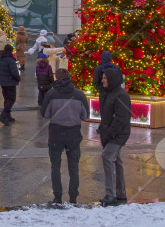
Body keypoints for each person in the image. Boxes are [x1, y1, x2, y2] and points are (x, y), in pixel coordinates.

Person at [41, 68, 88, 205]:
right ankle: (73, 197)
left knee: (55, 166)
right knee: (74, 167)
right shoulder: (79, 95)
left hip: (56, 134)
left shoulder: (51, 94)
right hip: (73, 135)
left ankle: (57, 197)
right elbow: (85, 116)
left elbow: (45, 115)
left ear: (57, 78)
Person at [98, 67, 131, 207]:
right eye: (103, 77)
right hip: (110, 132)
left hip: (118, 134)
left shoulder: (120, 95)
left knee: (107, 156)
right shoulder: (109, 92)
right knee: (116, 161)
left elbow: (121, 119)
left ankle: (111, 194)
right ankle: (120, 194)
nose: (102, 80)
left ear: (111, 79)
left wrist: (109, 133)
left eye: (105, 78)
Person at [0, 43, 20, 125]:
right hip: (10, 82)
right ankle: (3, 115)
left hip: (3, 82)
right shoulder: (11, 60)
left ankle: (8, 116)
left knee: (7, 99)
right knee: (11, 99)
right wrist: (18, 78)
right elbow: (14, 72)